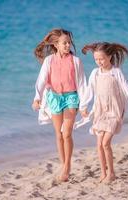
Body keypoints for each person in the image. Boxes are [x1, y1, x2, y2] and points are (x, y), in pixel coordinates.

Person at [79, 42, 128, 183]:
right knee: (99, 144)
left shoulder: (116, 72)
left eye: (101, 58)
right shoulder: (95, 73)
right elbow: (89, 90)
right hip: (100, 112)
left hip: (114, 112)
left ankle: (112, 173)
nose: (99, 62)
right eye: (96, 59)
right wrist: (83, 106)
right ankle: (103, 173)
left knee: (105, 143)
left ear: (109, 56)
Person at [32, 28, 88, 182]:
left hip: (71, 97)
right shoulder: (49, 61)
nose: (68, 45)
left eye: (69, 42)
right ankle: (63, 164)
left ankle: (67, 167)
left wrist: (83, 106)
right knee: (58, 135)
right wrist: (37, 98)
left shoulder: (76, 61)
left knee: (67, 133)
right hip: (54, 98)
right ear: (56, 44)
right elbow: (41, 80)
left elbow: (82, 84)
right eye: (64, 43)